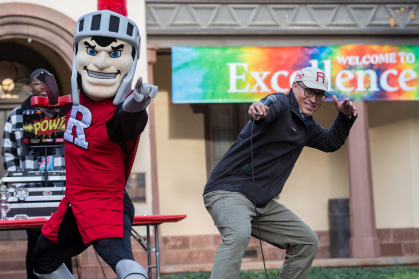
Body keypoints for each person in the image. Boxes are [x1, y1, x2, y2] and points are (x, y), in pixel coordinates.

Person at [32, 4, 157, 279]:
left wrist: (138, 101)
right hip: (74, 202)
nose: (100, 63)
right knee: (43, 258)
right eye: (91, 51)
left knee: (120, 260)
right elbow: (66, 112)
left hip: (105, 201)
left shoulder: (119, 112)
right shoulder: (79, 104)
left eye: (114, 53)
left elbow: (129, 122)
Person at [203, 67, 358, 279]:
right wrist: (258, 109)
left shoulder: (307, 126)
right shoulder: (280, 103)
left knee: (306, 241)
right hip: (229, 190)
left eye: (320, 94)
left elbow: (331, 142)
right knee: (238, 234)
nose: (314, 99)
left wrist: (344, 118)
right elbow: (265, 107)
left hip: (260, 202)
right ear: (295, 86)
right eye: (309, 91)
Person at [1, 68, 73, 279]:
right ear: (30, 87)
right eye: (36, 82)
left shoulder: (66, 113)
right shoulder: (16, 116)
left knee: (61, 240)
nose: (41, 86)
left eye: (46, 81)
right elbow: (8, 153)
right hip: (30, 194)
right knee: (35, 240)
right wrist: (21, 187)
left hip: (62, 192)